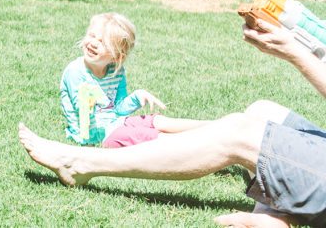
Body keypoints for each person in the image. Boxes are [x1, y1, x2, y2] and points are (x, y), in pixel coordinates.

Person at [20, 16, 326, 228]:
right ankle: (274, 217)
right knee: (261, 111)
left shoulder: (114, 72)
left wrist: (296, 54)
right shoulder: (79, 72)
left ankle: (80, 164)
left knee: (238, 131)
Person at [61, 12, 202, 148]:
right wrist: (88, 144)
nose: (93, 43)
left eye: (103, 42)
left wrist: (137, 97)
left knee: (158, 121)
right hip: (101, 135)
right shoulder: (75, 71)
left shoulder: (116, 71)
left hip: (117, 123)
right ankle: (204, 145)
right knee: (151, 135)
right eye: (92, 36)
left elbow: (119, 109)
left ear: (116, 56)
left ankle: (214, 127)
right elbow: (83, 115)